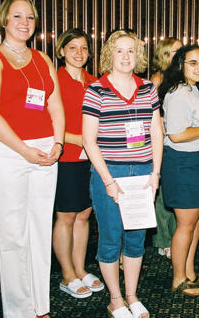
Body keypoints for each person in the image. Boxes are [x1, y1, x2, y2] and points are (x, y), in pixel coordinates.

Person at [0, 0, 65, 317]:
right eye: (17, 16)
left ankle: (40, 307)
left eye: (29, 17)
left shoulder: (42, 59)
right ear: (3, 20)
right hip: (8, 153)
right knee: (12, 235)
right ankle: (19, 311)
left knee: (39, 230)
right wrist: (26, 150)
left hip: (45, 151)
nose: (24, 23)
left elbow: (55, 105)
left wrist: (57, 144)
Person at [82, 30, 163, 318]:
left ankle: (131, 295)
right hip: (111, 173)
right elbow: (89, 141)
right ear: (109, 55)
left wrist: (155, 174)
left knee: (136, 239)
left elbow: (156, 131)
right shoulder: (96, 89)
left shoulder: (148, 88)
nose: (126, 56)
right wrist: (108, 181)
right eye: (120, 51)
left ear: (138, 55)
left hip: (142, 173)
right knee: (110, 238)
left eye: (131, 51)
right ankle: (115, 299)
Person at [158, 45, 199, 296]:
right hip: (183, 163)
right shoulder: (178, 93)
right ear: (180, 65)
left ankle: (190, 272)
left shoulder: (195, 90)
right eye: (192, 63)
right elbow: (175, 135)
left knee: (196, 223)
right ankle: (178, 279)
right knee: (185, 225)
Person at [52, 28, 104, 299]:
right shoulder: (54, 81)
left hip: (91, 158)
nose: (78, 53)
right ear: (61, 51)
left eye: (83, 48)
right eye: (72, 47)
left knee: (84, 214)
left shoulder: (94, 82)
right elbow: (48, 124)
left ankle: (80, 268)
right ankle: (66, 274)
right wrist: (83, 140)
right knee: (66, 215)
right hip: (67, 157)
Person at [150, 37, 182, 259]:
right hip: (162, 140)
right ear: (163, 55)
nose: (179, 55)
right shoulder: (158, 79)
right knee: (161, 196)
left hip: (179, 141)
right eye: (174, 52)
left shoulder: (182, 78)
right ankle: (163, 240)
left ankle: (173, 236)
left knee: (173, 192)